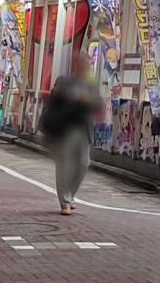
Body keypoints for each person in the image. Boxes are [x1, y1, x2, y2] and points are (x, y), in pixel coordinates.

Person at [41, 52, 102, 216]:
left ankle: (71, 195)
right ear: (76, 66)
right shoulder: (64, 81)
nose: (85, 69)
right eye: (83, 65)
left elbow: (99, 104)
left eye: (88, 66)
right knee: (64, 166)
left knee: (83, 164)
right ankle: (65, 202)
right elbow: (53, 97)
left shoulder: (91, 86)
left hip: (84, 129)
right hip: (65, 129)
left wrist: (89, 101)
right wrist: (73, 98)